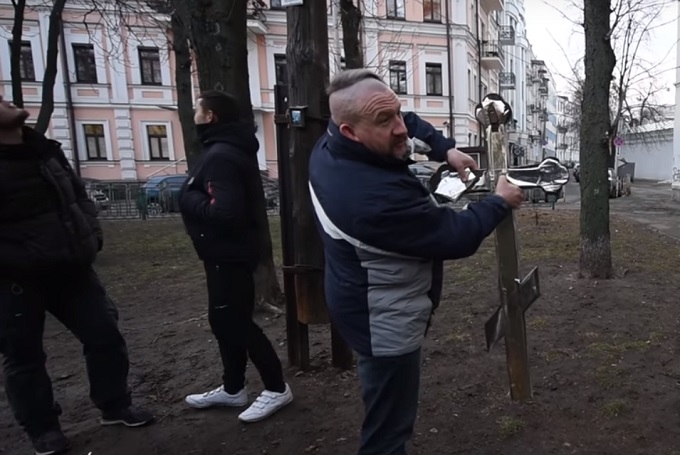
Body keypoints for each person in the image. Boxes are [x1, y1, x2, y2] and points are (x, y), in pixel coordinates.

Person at [308, 69, 525, 455]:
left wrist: (445, 148)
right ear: (349, 132)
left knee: (386, 408)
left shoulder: (332, 146)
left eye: (396, 112)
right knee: (388, 431)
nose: (400, 129)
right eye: (383, 121)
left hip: (358, 294)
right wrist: (498, 202)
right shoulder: (367, 198)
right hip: (383, 319)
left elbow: (402, 120)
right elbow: (453, 236)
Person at [0, 97, 154, 455]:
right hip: (16, 280)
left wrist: (91, 234)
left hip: (72, 269)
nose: (7, 101)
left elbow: (78, 196)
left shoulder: (44, 150)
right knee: (24, 356)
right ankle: (43, 428)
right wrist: (19, 259)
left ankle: (114, 405)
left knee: (104, 334)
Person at [179, 90, 293, 423]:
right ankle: (233, 389)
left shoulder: (221, 156)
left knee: (233, 320)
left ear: (210, 116)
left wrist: (188, 200)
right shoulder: (225, 150)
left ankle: (275, 387)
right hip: (225, 252)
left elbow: (226, 212)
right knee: (224, 319)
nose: (195, 115)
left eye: (198, 110)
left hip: (228, 252)